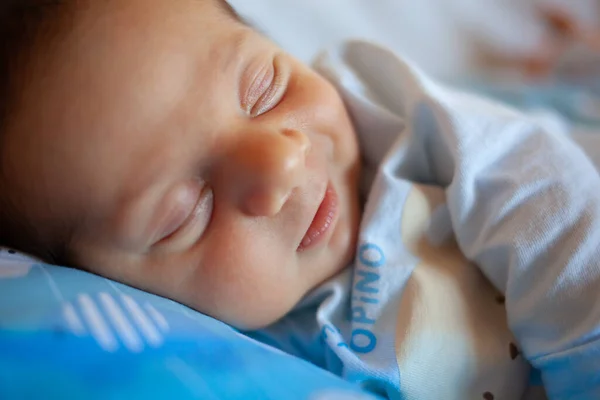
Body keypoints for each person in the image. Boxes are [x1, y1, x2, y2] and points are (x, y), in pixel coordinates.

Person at [0, 0, 599, 398]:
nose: (282, 161)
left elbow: (550, 198)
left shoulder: (387, 113)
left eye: (265, 89)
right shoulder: (233, 359)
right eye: (187, 213)